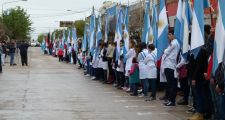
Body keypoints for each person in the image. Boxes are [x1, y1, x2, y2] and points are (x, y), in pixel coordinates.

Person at [163, 31, 180, 107]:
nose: (168, 36)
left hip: (171, 66)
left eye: (169, 35)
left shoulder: (173, 43)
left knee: (172, 85)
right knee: (170, 84)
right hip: (169, 65)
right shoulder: (173, 42)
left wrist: (165, 50)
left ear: (174, 35)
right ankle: (170, 100)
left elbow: (166, 52)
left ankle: (172, 101)